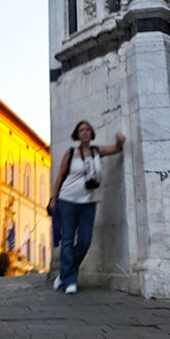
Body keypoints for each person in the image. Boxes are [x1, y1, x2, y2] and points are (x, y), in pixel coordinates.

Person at [48, 121, 125, 294]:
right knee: (67, 240)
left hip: (89, 202)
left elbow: (117, 149)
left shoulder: (98, 151)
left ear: (91, 133)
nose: (85, 132)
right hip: (68, 200)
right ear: (77, 134)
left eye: (87, 129)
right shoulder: (70, 153)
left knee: (84, 241)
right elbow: (60, 176)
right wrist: (54, 198)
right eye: (81, 130)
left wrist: (120, 140)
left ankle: (65, 272)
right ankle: (69, 282)